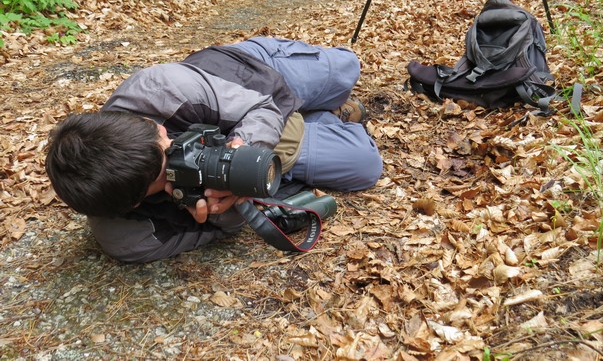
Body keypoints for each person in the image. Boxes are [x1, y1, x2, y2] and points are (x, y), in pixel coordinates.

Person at [45, 37, 383, 263]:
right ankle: (323, 118)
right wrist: (228, 202)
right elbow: (223, 228)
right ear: (135, 202)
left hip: (253, 75)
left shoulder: (162, 89)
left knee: (346, 68)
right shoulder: (128, 238)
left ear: (152, 125)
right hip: (258, 132)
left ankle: (319, 108)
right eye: (166, 179)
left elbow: (264, 105)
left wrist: (245, 145)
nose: (179, 166)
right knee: (365, 165)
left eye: (169, 148)